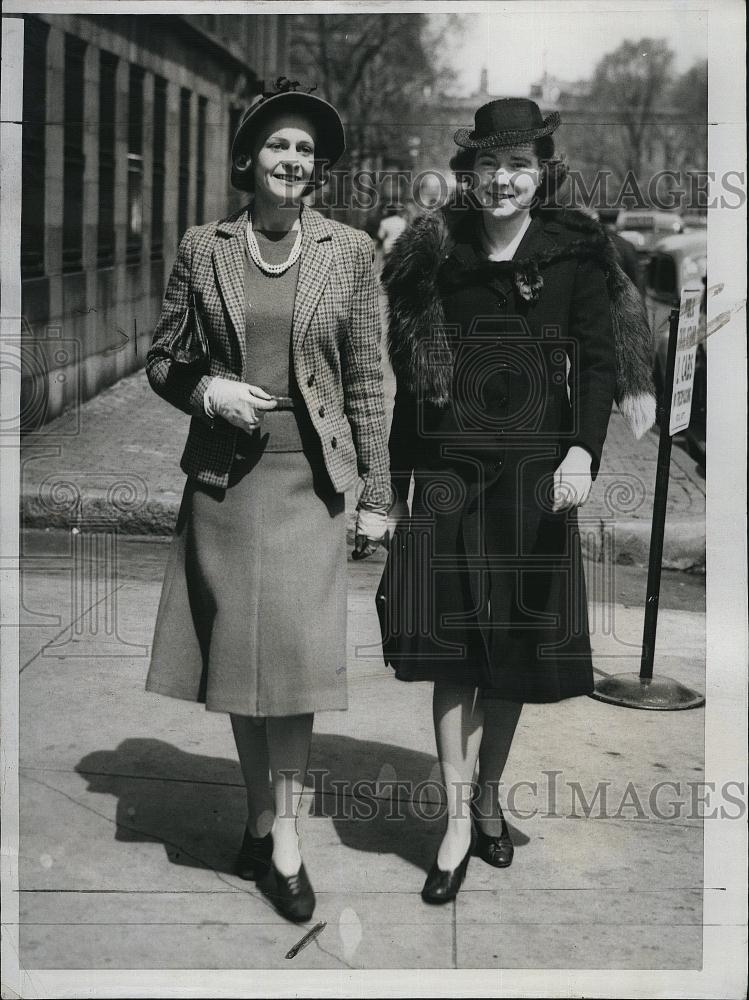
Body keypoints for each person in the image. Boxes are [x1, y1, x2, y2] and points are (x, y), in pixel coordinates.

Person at [378, 98, 655, 904]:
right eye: (489, 165)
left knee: (509, 651)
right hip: (447, 473)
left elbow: (598, 365)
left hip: (535, 476)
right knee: (450, 653)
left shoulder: (575, 251)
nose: (502, 180)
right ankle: (456, 820)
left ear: (542, 169)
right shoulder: (436, 251)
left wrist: (581, 452)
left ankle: (489, 794)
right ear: (469, 170)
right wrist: (397, 490)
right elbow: (408, 381)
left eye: (519, 166)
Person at [144, 78, 390, 923]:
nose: (293, 161)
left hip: (309, 487)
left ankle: (286, 840)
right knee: (240, 668)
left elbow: (366, 381)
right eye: (279, 146)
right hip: (225, 484)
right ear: (249, 159)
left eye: (306, 150)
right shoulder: (201, 246)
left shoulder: (349, 251)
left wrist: (378, 496)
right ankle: (261, 817)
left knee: (293, 671)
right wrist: (206, 390)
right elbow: (162, 357)